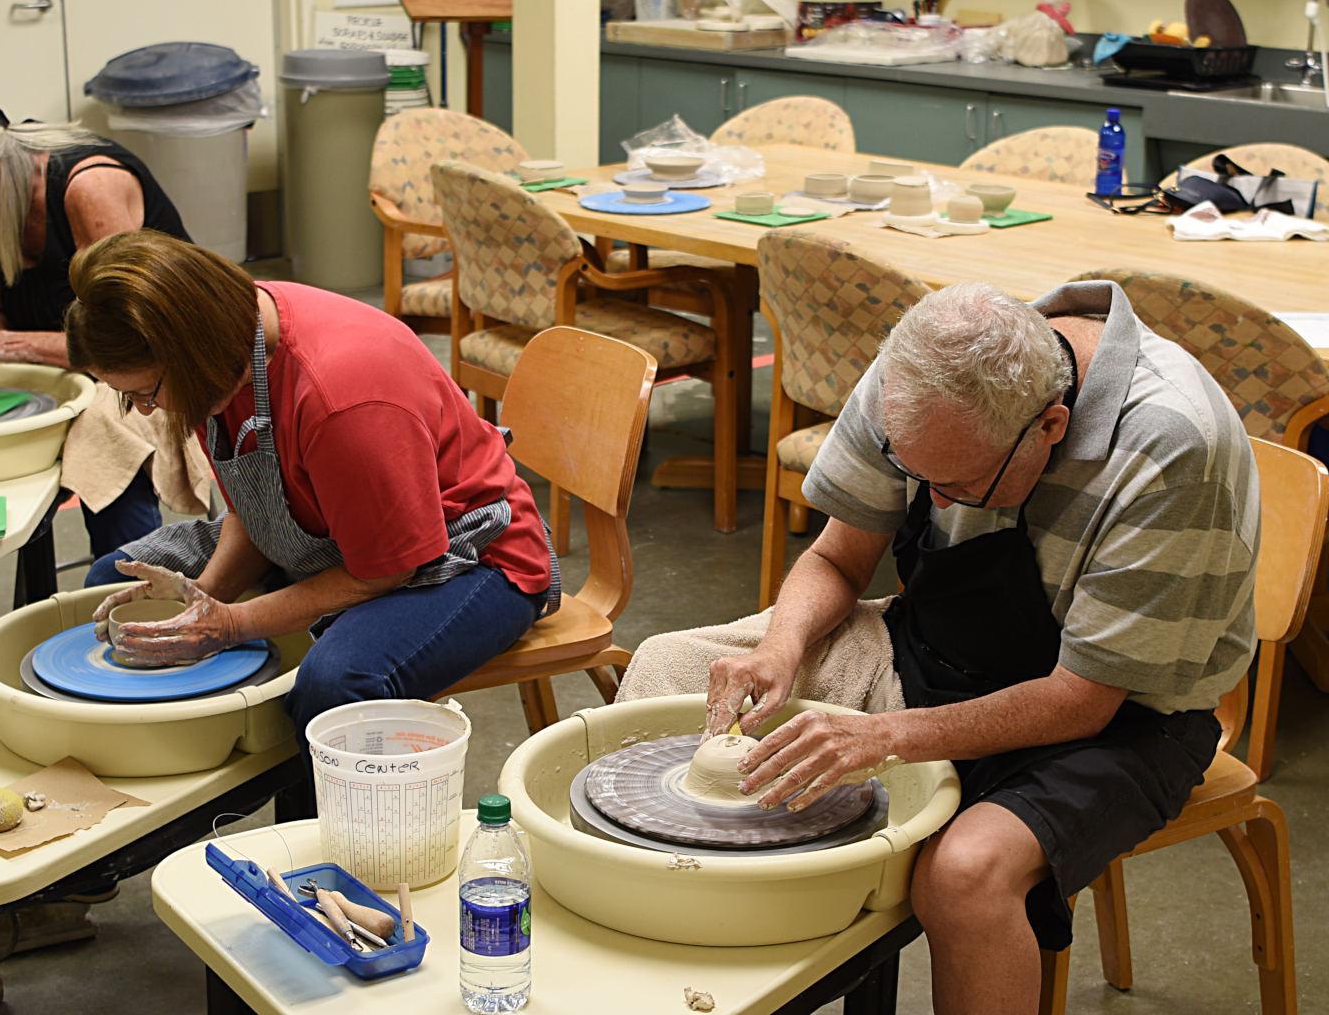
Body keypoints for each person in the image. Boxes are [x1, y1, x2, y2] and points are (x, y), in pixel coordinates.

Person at [618, 280, 1257, 1011]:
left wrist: (880, 736)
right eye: (918, 476)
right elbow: (839, 559)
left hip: (1125, 715)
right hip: (935, 647)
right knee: (668, 672)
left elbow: (1083, 699)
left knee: (962, 876)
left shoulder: (1171, 444)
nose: (936, 503)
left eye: (957, 486)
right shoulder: (920, 377)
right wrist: (781, 649)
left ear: (1050, 426)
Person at [62, 229, 559, 740]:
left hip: (465, 554)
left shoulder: (343, 396)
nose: (149, 408)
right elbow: (252, 516)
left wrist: (230, 624)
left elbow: (385, 569)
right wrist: (201, 598)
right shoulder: (224, 340)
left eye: (148, 391)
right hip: (315, 530)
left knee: (335, 688)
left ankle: (318, 814)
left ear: (192, 347)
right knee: (114, 582)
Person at [0, 86, 201, 558]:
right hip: (69, 361)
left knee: (106, 432)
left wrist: (10, 346)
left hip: (150, 361)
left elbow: (132, 341)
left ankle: (131, 585)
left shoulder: (87, 188)